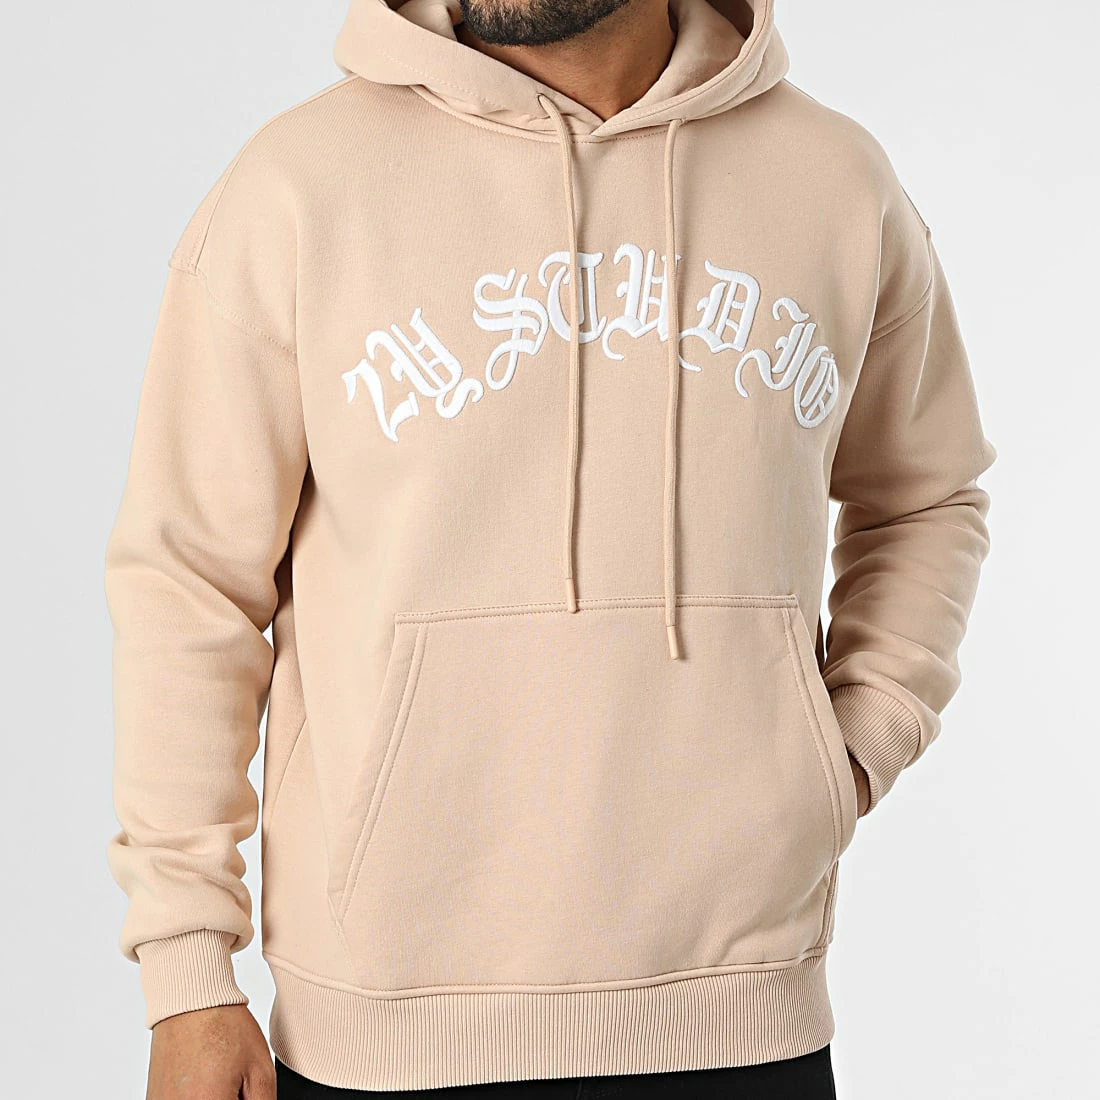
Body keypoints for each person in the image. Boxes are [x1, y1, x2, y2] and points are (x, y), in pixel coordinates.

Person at [103, 1, 996, 1097]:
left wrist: (851, 740)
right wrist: (188, 972)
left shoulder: (835, 183)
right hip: (382, 1024)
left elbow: (924, 494)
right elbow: (190, 583)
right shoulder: (297, 187)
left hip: (738, 1007)